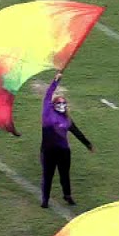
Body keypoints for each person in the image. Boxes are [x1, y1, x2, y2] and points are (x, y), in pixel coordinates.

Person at [39, 73, 93, 207]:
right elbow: (47, 95)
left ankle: (67, 195)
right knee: (48, 176)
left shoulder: (67, 119)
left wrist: (87, 144)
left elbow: (76, 132)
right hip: (48, 151)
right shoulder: (47, 114)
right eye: (59, 103)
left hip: (63, 152)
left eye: (64, 103)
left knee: (64, 175)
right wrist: (55, 81)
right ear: (54, 105)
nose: (62, 105)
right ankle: (45, 200)